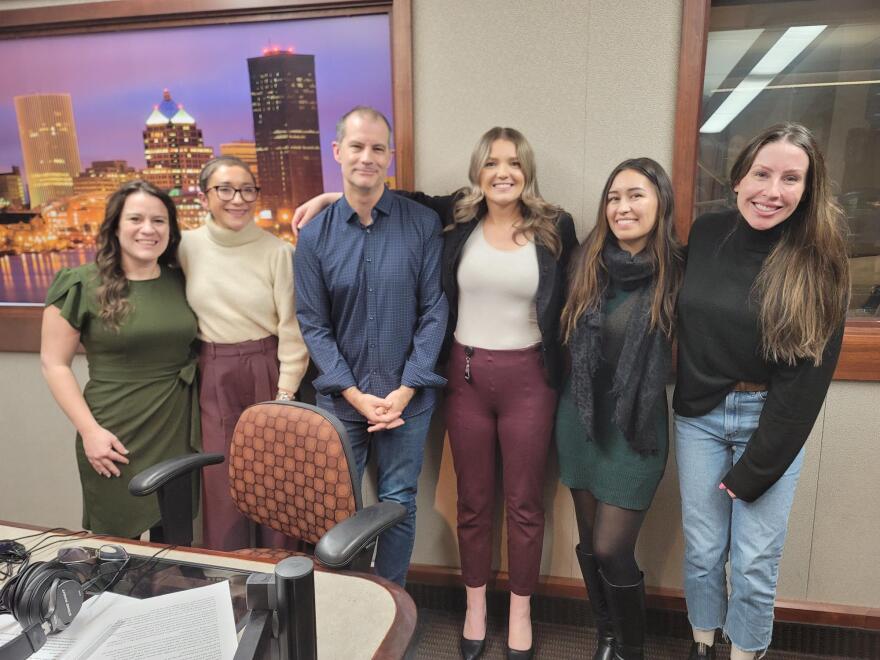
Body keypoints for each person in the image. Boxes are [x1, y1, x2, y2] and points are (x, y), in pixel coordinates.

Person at [294, 126, 578, 660]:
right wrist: (336, 197)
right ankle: (474, 609)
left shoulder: (554, 227)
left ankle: (520, 613)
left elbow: (573, 303)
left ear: (528, 170)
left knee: (523, 505)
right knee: (471, 503)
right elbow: (394, 199)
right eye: (492, 162)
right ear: (478, 171)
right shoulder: (458, 220)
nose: (503, 172)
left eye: (514, 163)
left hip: (529, 381)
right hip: (466, 378)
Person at [674, 123, 849, 660]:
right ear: (738, 179)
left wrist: (753, 471)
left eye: (791, 178)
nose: (773, 191)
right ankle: (704, 643)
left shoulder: (820, 259)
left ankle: (745, 653)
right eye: (762, 174)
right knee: (704, 552)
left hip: (770, 420)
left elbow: (807, 383)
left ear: (809, 188)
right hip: (698, 418)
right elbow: (691, 325)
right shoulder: (707, 233)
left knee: (753, 560)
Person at [294, 106, 448, 588]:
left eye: (377, 148)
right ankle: (347, 601)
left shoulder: (421, 224)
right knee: (336, 505)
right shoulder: (314, 235)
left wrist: (405, 389)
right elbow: (313, 325)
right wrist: (357, 396)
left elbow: (434, 311)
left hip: (409, 396)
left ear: (390, 156)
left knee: (399, 501)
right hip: (342, 401)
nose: (367, 157)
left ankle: (392, 601)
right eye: (357, 147)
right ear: (337, 152)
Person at [555, 158, 683, 660]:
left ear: (660, 204)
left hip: (635, 431)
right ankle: (605, 636)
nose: (622, 206)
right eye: (613, 197)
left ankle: (631, 649)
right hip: (580, 422)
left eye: (636, 195)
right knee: (589, 542)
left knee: (612, 548)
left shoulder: (679, 271)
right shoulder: (585, 263)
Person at [40, 180, 199, 540]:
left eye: (159, 221)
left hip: (176, 429)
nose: (148, 229)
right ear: (115, 226)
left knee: (176, 547)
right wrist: (89, 431)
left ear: (171, 230)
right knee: (115, 550)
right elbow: (54, 364)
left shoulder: (182, 280)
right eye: (136, 219)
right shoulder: (80, 283)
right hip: (112, 432)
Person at [178, 155, 309, 551]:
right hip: (212, 369)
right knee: (221, 482)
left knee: (278, 482)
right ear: (205, 197)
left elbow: (293, 329)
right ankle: (229, 587)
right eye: (225, 189)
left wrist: (285, 393)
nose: (238, 199)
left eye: (247, 189)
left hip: (266, 367)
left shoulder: (278, 252)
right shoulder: (184, 247)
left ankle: (283, 581)